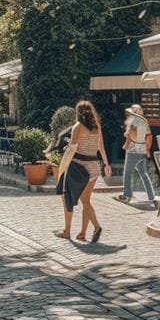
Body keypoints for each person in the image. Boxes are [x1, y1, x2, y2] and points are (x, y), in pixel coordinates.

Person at [55, 100, 111, 243]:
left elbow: (72, 148)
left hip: (79, 166)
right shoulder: (97, 126)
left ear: (78, 112)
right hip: (94, 167)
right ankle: (82, 233)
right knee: (86, 200)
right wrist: (106, 164)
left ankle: (95, 226)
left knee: (72, 198)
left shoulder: (78, 127)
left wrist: (63, 166)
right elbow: (101, 147)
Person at [117, 104, 156, 204]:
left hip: (133, 151)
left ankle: (127, 195)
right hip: (142, 150)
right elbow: (149, 137)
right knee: (144, 174)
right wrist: (147, 150)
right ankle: (151, 196)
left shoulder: (133, 122)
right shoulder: (144, 122)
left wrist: (127, 135)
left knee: (127, 173)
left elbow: (131, 135)